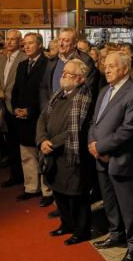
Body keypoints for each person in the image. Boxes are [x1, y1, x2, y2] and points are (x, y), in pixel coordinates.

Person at [89, 52, 133, 261]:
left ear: (124, 69)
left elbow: (128, 130)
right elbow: (95, 123)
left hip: (121, 157)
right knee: (109, 201)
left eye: (112, 66)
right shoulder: (105, 90)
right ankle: (116, 234)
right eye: (106, 65)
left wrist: (102, 147)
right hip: (100, 156)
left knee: (128, 203)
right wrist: (92, 145)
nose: (107, 69)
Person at [37, 59, 96, 244]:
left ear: (79, 79)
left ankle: (81, 231)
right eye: (63, 72)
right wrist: (41, 140)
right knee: (59, 192)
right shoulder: (58, 94)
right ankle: (66, 224)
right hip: (52, 152)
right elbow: (42, 119)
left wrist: (51, 143)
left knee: (76, 196)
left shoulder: (83, 98)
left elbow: (75, 129)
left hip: (70, 155)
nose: (63, 75)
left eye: (68, 73)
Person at [12, 33, 50, 205]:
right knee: (27, 155)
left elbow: (45, 94)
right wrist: (15, 108)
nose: (26, 47)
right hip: (22, 118)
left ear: (40, 45)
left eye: (30, 43)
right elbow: (16, 90)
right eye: (24, 44)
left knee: (42, 155)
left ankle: (47, 191)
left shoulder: (47, 65)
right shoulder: (21, 65)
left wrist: (31, 110)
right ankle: (31, 187)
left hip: (39, 117)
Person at [0, 29, 27, 187]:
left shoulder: (24, 58)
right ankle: (15, 175)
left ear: (19, 42)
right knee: (10, 144)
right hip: (4, 106)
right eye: (7, 39)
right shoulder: (3, 58)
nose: (8, 42)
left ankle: (25, 177)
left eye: (12, 39)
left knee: (22, 144)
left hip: (18, 106)